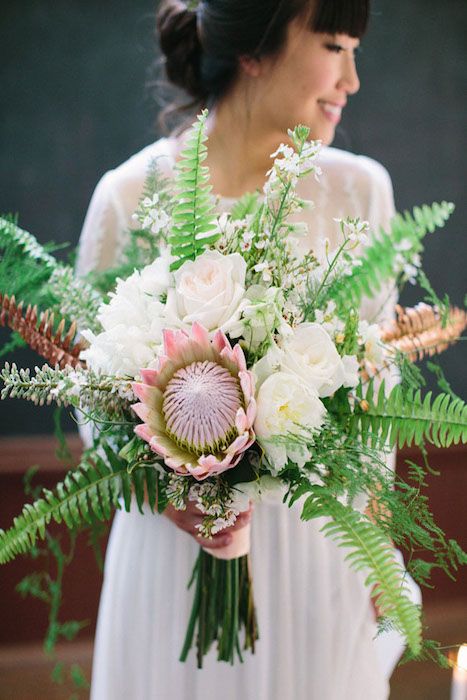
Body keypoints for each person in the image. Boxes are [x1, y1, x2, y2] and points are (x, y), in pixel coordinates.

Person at [76, 1, 421, 698]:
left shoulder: (359, 191)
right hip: (173, 554)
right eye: (332, 45)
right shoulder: (127, 195)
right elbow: (91, 400)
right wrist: (173, 491)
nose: (351, 78)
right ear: (255, 52)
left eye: (355, 49)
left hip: (317, 549)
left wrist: (378, 558)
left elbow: (378, 408)